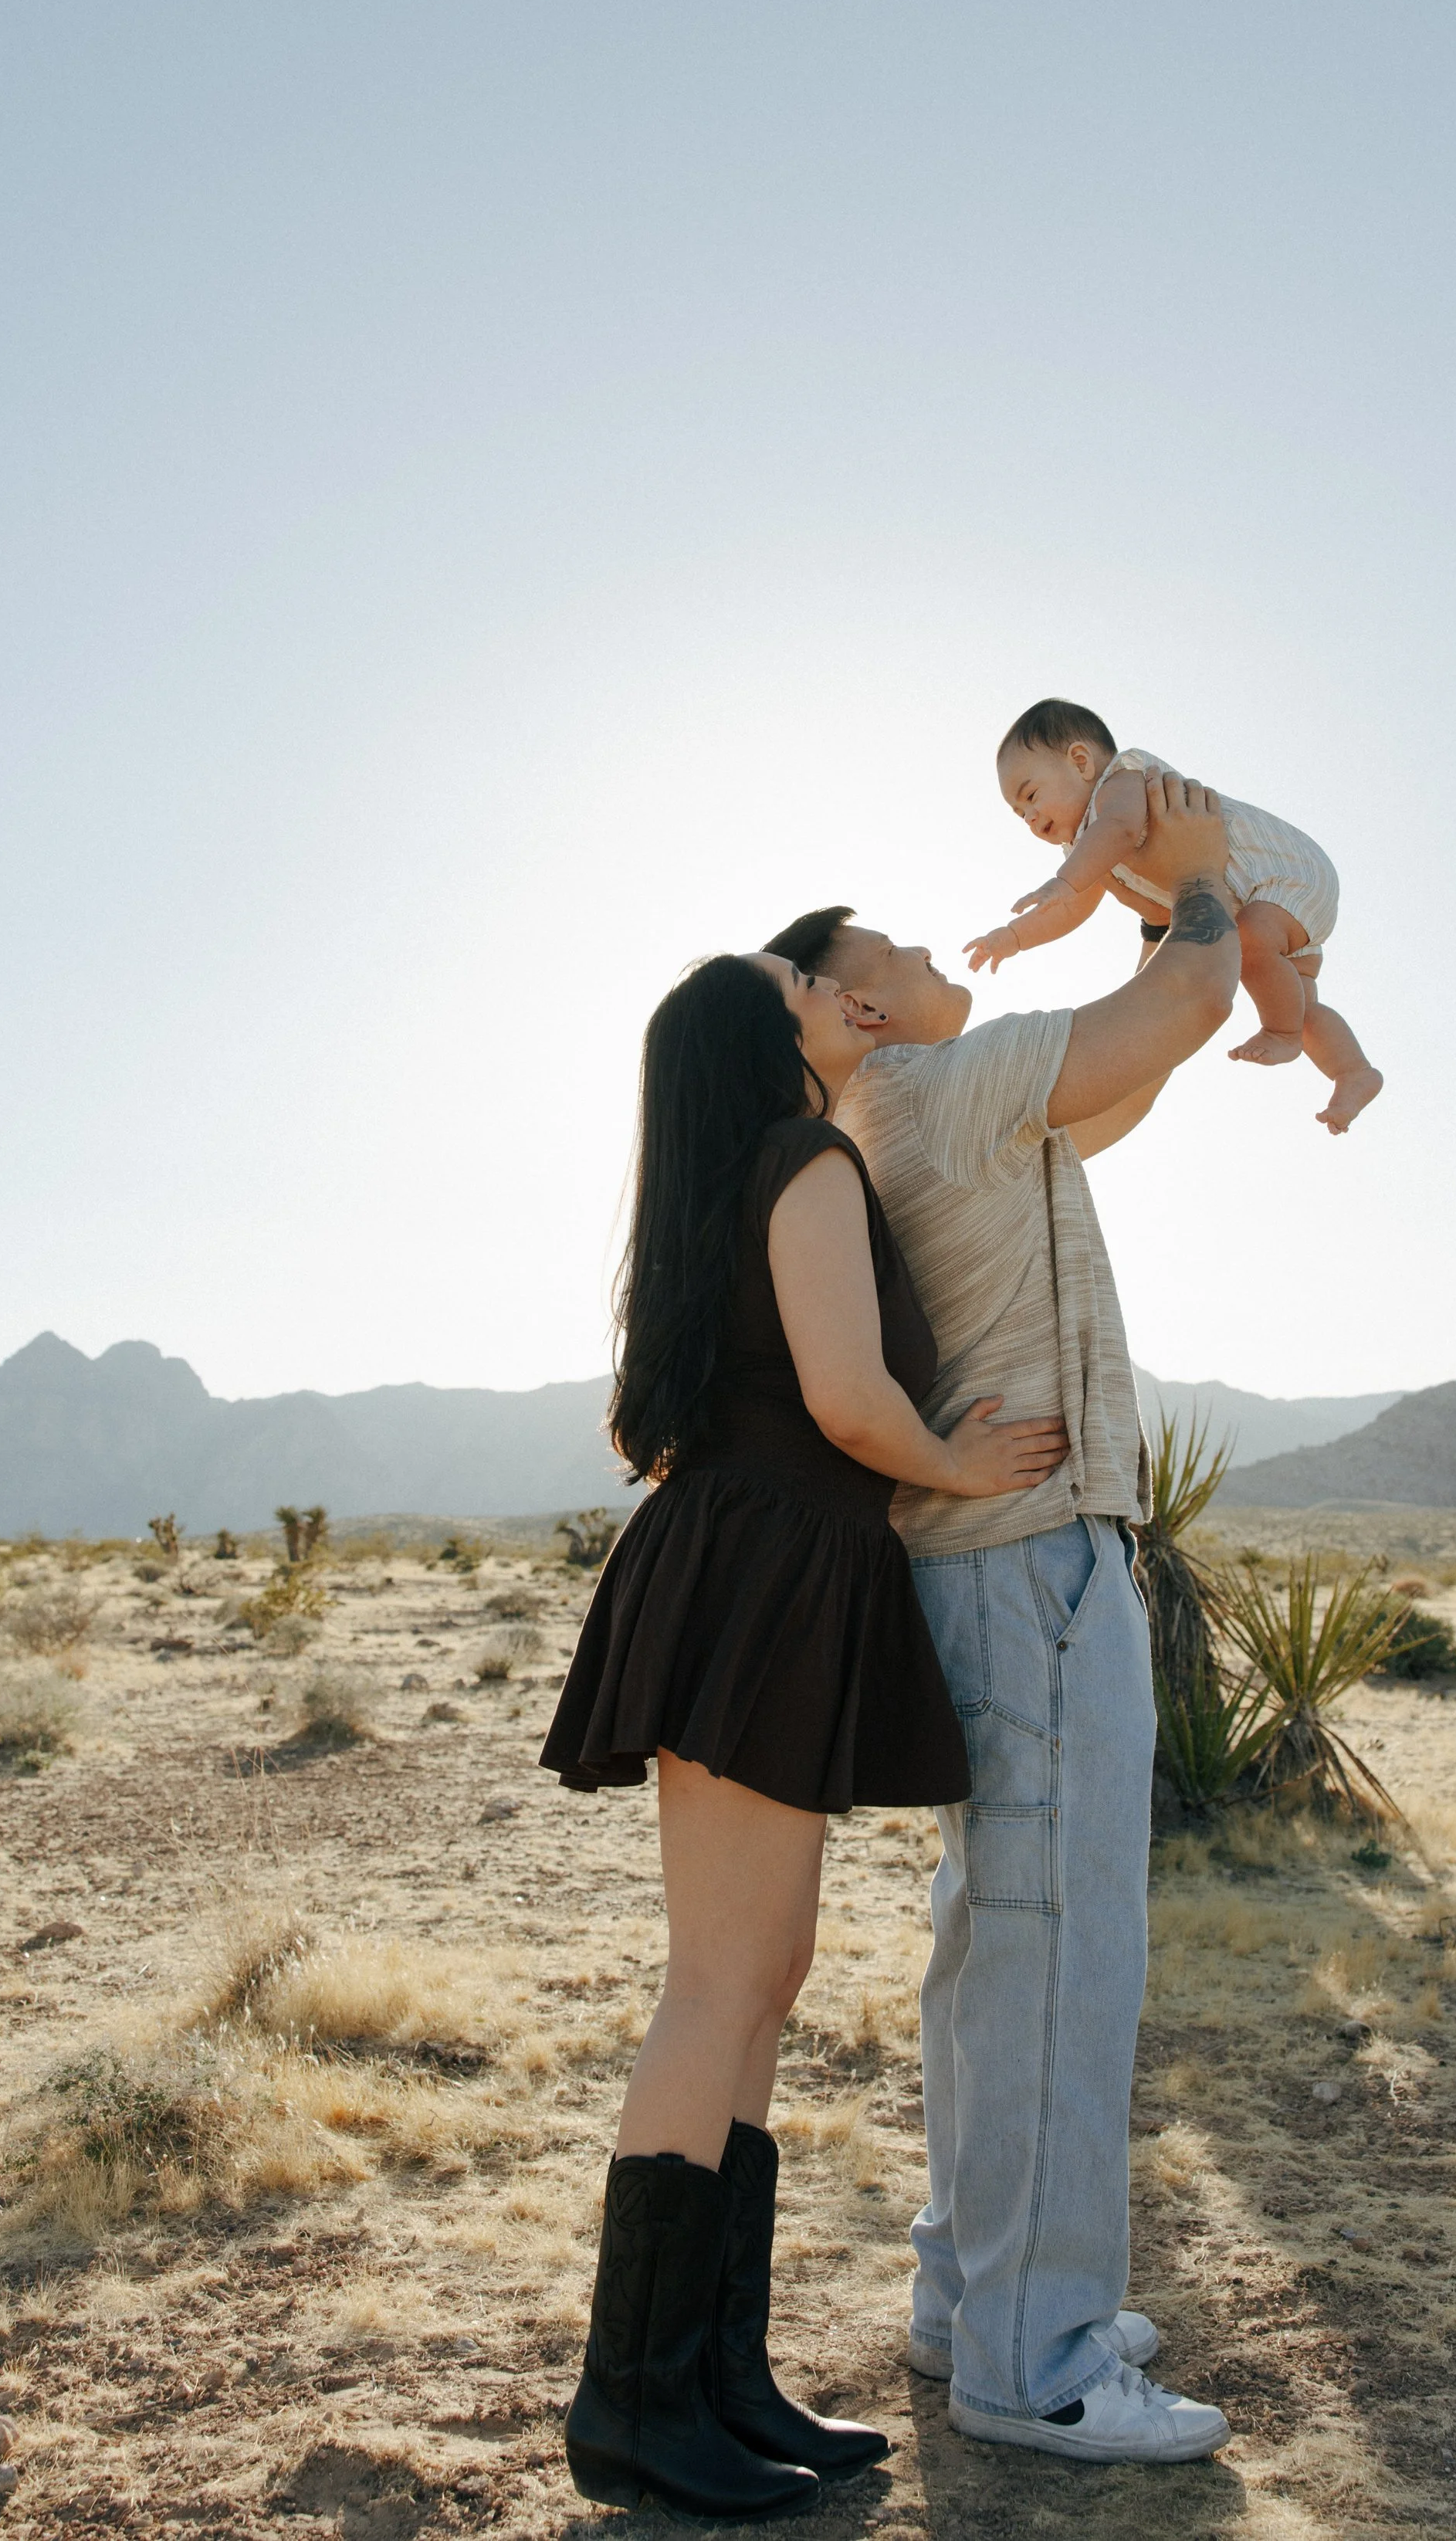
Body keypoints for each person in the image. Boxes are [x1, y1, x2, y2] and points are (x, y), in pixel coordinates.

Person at [542, 948, 1069, 2517]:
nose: (833, 987)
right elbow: (847, 1400)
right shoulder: (803, 1157)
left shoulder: (736, 1175)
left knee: (754, 1982)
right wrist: (958, 1470)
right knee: (719, 1984)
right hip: (767, 1565)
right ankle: (632, 2399)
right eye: (799, 981)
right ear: (757, 1038)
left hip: (755, 1562)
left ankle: (714, 2371)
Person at [765, 768, 1240, 2465]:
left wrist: (1149, 919)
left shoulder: (947, 1106)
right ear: (863, 1004)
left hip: (1009, 1563)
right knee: (1054, 1948)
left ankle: (974, 2297)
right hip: (1033, 1563)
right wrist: (1193, 875)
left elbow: (1138, 1065)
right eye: (883, 944)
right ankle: (1033, 2366)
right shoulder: (927, 1087)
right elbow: (1183, 998)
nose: (919, 942)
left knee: (999, 1944)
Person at [966, 696, 1383, 1134]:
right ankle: (1351, 1072)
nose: (1030, 817)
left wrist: (1064, 879)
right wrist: (1013, 937)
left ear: (1081, 761)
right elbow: (1071, 909)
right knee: (1296, 997)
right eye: (1020, 814)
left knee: (1249, 944)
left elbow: (1120, 830)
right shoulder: (1085, 847)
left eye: (1031, 796)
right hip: (1265, 904)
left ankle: (1282, 1034)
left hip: (1282, 874)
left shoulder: (1121, 780)